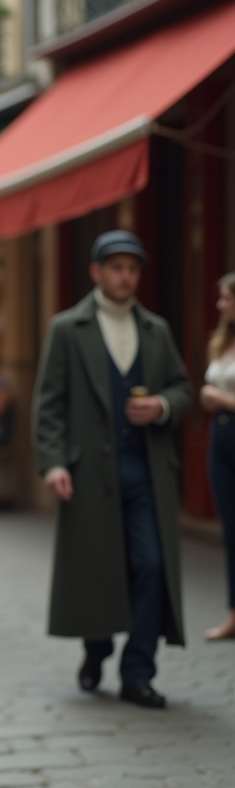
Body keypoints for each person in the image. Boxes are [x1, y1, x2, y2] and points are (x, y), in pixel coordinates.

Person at [33, 230, 190, 709]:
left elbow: (182, 388)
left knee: (150, 565)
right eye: (117, 267)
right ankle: (95, 647)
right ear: (96, 272)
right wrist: (54, 461)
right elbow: (50, 403)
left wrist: (163, 405)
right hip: (87, 474)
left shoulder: (156, 330)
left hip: (146, 470)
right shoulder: (67, 327)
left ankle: (137, 672)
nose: (126, 276)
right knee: (97, 568)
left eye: (133, 268)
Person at [199, 273, 235, 641]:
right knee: (231, 533)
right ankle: (233, 613)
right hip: (219, 438)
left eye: (226, 298)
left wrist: (221, 399)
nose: (220, 305)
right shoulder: (222, 342)